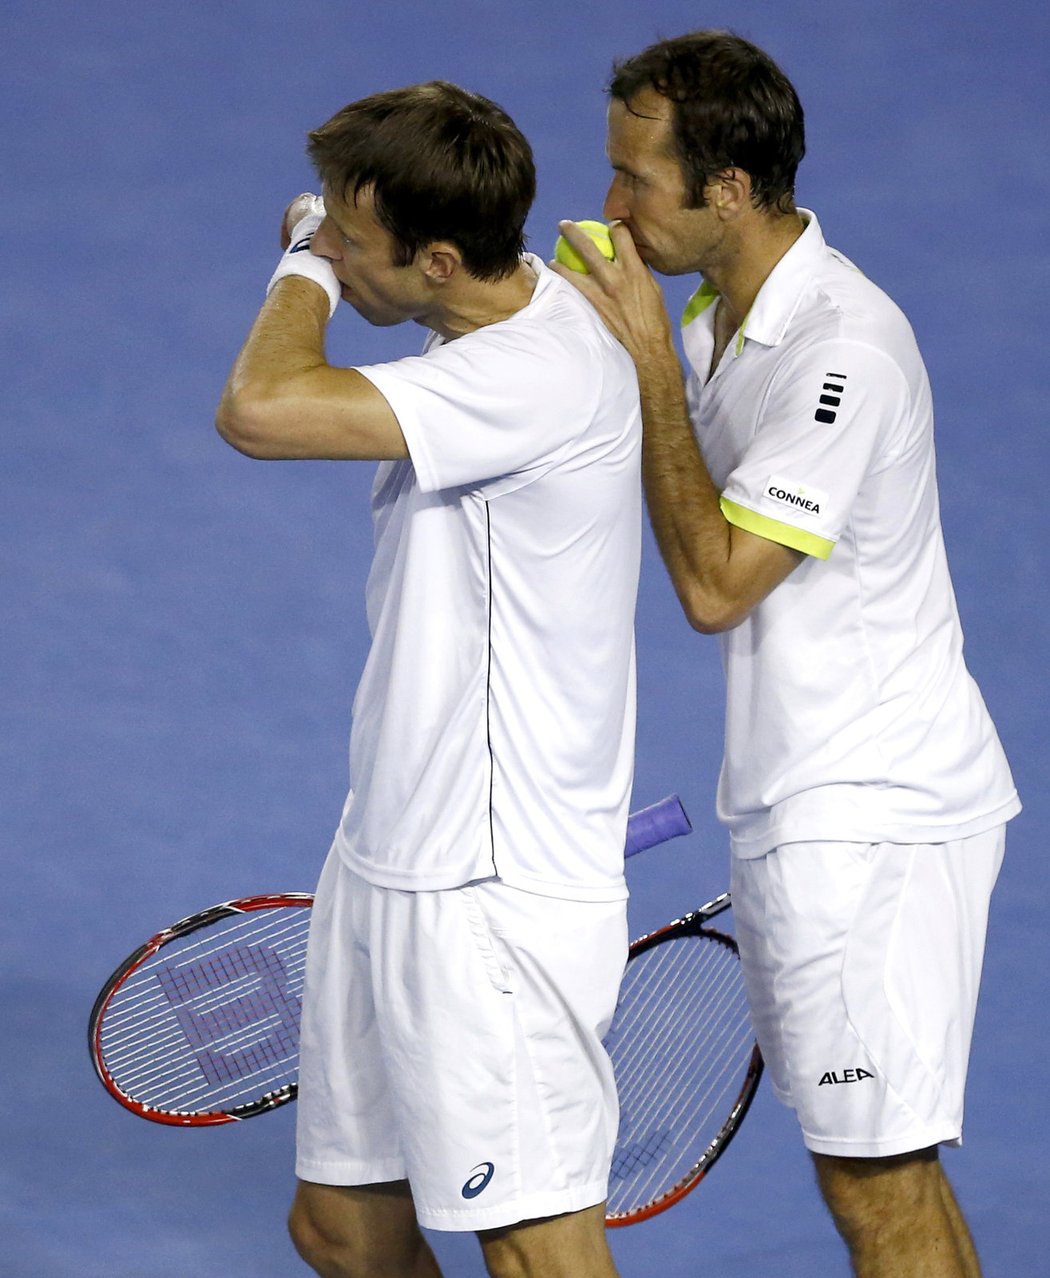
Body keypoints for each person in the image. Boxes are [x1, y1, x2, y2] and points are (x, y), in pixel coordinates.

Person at [553, 30, 1020, 1278]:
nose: (610, 208)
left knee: (879, 1183)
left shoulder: (839, 352)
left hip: (871, 813)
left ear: (731, 191)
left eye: (635, 182)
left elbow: (715, 587)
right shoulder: (721, 313)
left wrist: (645, 361)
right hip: (800, 796)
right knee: (876, 1167)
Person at [216, 81, 642, 1278]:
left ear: (442, 259)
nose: (338, 252)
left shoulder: (535, 374)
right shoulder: (484, 326)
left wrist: (303, 264)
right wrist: (341, 241)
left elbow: (261, 406)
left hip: (487, 884)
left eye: (358, 242)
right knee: (343, 1231)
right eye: (334, 228)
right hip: (393, 848)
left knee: (535, 1245)